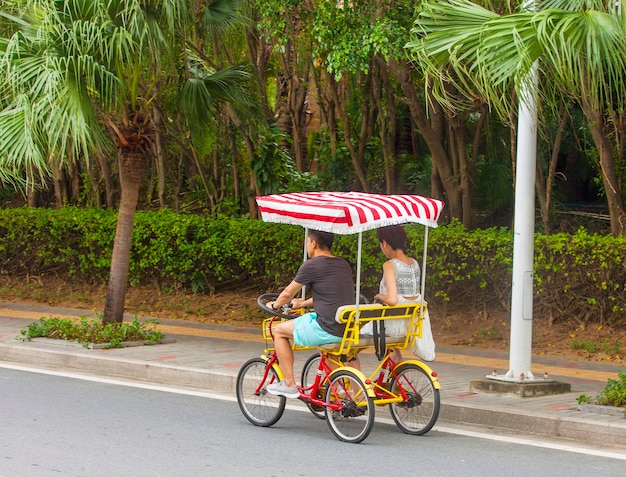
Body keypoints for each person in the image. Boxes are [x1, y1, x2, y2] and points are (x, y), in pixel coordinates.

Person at [266, 229, 355, 399]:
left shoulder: (311, 265)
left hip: (326, 328)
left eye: (307, 242)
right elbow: (330, 295)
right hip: (345, 328)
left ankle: (289, 383)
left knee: (279, 331)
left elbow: (286, 294)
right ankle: (334, 392)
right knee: (312, 327)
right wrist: (303, 303)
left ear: (313, 243)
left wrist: (275, 305)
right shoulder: (343, 264)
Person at [364, 225, 422, 364]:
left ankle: (354, 384)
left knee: (350, 350)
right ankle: (395, 380)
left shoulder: (390, 265)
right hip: (411, 324)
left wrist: (379, 296)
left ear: (384, 243)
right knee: (392, 351)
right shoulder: (414, 263)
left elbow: (392, 299)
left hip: (392, 325)